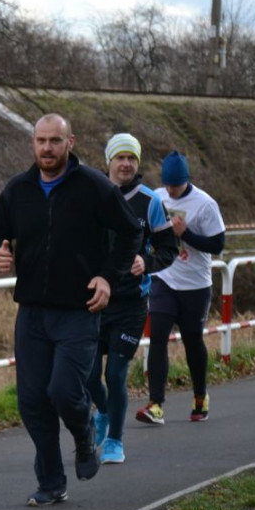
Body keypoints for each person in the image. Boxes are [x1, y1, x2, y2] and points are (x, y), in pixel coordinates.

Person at [0, 114, 141, 507]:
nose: (47, 148)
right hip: (33, 312)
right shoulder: (18, 190)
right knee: (32, 400)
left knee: (64, 390)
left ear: (70, 142)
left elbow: (130, 232)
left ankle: (85, 430)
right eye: (40, 141)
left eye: (55, 141)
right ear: (32, 143)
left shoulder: (93, 186)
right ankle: (52, 481)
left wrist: (108, 277)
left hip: (79, 309)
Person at [86, 134, 178, 465]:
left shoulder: (150, 201)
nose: (126, 164)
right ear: (108, 161)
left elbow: (170, 249)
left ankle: (114, 441)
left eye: (132, 159)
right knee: (88, 373)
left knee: (116, 374)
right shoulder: (92, 194)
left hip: (130, 303)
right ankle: (106, 411)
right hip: (93, 300)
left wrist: (147, 262)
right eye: (120, 158)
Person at [135, 151, 225, 426]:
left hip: (195, 285)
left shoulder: (205, 204)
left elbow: (217, 246)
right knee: (157, 338)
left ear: (186, 181)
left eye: (177, 186)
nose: (172, 191)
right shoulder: (157, 198)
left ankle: (200, 396)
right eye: (168, 185)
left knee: (192, 341)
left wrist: (184, 234)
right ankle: (156, 404)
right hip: (165, 278)